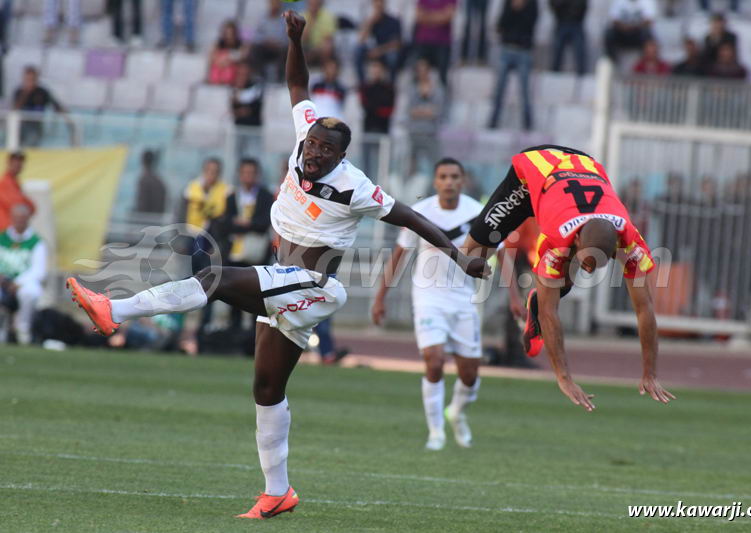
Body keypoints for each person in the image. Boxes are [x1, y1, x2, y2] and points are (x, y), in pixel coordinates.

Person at [66, 10, 489, 519]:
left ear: (341, 156)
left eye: (325, 150)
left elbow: (414, 219)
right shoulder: (305, 129)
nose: (313, 153)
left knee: (215, 277)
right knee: (266, 388)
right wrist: (296, 39)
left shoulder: (357, 186)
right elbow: (296, 81)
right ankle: (278, 492)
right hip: (283, 280)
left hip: (311, 284)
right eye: (311, 145)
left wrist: (461, 257)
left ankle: (115, 310)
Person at [461, 144, 676, 412]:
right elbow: (550, 314)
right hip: (534, 172)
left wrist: (650, 373)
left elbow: (645, 309)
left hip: (580, 169)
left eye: (598, 265)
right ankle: (533, 299)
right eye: (587, 262)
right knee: (469, 255)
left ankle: (534, 301)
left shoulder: (630, 239)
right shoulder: (555, 238)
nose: (589, 270)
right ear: (575, 239)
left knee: (563, 275)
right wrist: (564, 377)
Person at [372, 158, 522, 450]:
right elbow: (398, 256)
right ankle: (436, 432)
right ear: (435, 181)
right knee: (435, 361)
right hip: (428, 296)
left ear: (463, 180)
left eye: (455, 176)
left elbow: (503, 255)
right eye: (443, 176)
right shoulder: (421, 212)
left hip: (465, 299)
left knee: (469, 373)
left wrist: (515, 297)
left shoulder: (478, 213)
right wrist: (380, 298)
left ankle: (456, 413)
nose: (449, 181)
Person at [220, 158, 273, 332]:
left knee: (256, 297)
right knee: (235, 295)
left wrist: (245, 224)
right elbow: (226, 223)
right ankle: (234, 333)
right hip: (235, 253)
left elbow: (265, 223)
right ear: (239, 175)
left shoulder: (265, 196)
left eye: (251, 173)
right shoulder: (231, 196)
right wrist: (248, 224)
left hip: (257, 253)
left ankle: (252, 336)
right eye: (245, 173)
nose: (248, 176)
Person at [0, 203, 47, 345]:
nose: (19, 221)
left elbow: (39, 270)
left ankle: (23, 330)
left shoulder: (35, 242)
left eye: (23, 218)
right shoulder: (3, 239)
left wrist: (18, 282)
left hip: (23, 283)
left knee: (30, 293)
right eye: (16, 218)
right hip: (3, 282)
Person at [488, 0, 538, 130]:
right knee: (499, 89)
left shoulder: (532, 3)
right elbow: (501, 24)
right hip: (507, 48)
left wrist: (522, 8)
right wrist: (512, 9)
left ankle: (528, 124)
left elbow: (531, 24)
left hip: (524, 50)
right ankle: (493, 121)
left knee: (525, 90)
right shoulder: (508, 2)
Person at [13, 66, 71, 147]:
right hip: (20, 125)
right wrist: (25, 93)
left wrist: (67, 116)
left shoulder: (42, 92)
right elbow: (14, 109)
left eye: (32, 79)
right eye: (27, 79)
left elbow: (56, 105)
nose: (30, 82)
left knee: (31, 144)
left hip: (35, 126)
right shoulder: (19, 92)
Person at [408, 58, 445, 177]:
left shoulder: (437, 90)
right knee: (411, 165)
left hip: (431, 133)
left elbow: (437, 111)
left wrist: (420, 111)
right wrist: (427, 111)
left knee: (435, 165)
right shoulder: (412, 89)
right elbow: (410, 111)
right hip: (414, 133)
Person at [359, 59, 395, 178]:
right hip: (368, 129)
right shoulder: (365, 87)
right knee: (366, 163)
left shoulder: (389, 88)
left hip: (383, 130)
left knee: (383, 162)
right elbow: (365, 106)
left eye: (378, 68)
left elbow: (388, 110)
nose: (376, 71)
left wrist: (375, 107)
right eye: (373, 68)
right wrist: (378, 107)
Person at [355, 0, 402, 83]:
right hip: (372, 51)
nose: (378, 4)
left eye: (381, 2)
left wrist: (379, 51)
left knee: (393, 56)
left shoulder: (393, 21)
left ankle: (391, 84)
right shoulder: (370, 21)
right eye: (376, 2)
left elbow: (396, 44)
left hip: (385, 52)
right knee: (358, 50)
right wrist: (371, 22)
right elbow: (361, 40)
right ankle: (362, 83)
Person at [413, 0, 457, 85]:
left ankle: (442, 96)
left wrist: (428, 16)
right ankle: (418, 95)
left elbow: (448, 16)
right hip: (423, 41)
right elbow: (419, 16)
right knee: (419, 73)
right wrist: (439, 16)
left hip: (442, 42)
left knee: (442, 76)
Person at [248, 0, 289, 82]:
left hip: (280, 47)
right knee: (255, 49)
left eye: (277, 3)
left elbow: (288, 37)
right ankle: (258, 76)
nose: (275, 5)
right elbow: (256, 36)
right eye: (273, 2)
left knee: (287, 51)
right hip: (265, 46)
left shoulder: (285, 19)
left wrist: (277, 43)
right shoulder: (262, 18)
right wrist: (266, 41)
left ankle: (280, 78)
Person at [231, 63, 265, 157]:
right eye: (240, 74)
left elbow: (254, 108)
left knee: (254, 155)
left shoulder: (257, 88)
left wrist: (243, 110)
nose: (243, 76)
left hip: (253, 128)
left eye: (245, 73)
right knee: (237, 154)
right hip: (238, 127)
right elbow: (233, 109)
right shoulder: (234, 88)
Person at [550, 0, 588, 75]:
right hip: (561, 22)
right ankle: (554, 73)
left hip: (576, 23)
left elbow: (583, 5)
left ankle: (581, 74)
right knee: (557, 50)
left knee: (579, 50)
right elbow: (553, 4)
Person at [0, 151, 35, 232]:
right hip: (6, 233)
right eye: (15, 161)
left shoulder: (15, 183)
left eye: (20, 161)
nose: (18, 164)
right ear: (8, 162)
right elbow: (18, 207)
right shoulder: (5, 183)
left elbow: (30, 207)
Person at [208, 20, 244, 86]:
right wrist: (220, 61)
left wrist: (228, 60)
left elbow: (241, 56)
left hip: (232, 65)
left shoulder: (239, 44)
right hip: (219, 64)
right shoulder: (219, 43)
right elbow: (212, 55)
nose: (229, 35)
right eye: (227, 33)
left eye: (231, 33)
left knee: (230, 70)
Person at [302, 0, 337, 66]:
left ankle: (325, 70)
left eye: (315, 3)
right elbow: (303, 39)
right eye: (311, 3)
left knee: (327, 47)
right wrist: (311, 21)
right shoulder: (302, 16)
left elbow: (328, 38)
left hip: (320, 47)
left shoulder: (327, 16)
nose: (313, 5)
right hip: (306, 47)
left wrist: (317, 48)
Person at [134, 150, 167, 215]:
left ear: (142, 161)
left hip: (146, 220)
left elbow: (142, 205)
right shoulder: (159, 181)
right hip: (157, 219)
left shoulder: (144, 180)